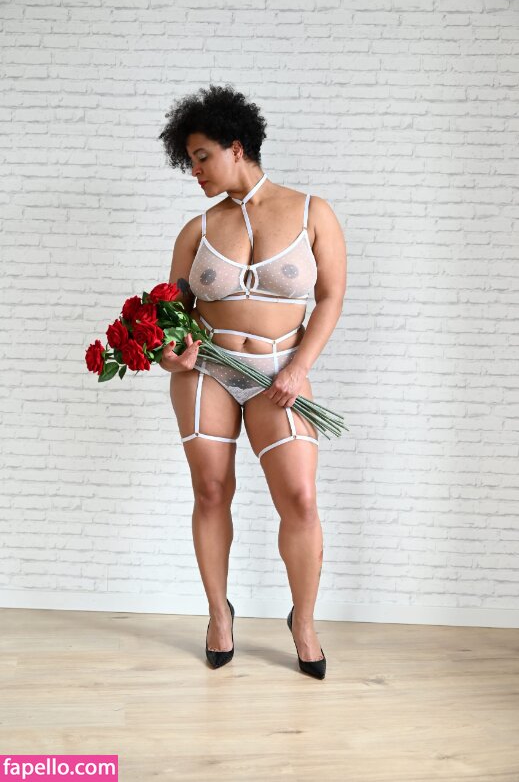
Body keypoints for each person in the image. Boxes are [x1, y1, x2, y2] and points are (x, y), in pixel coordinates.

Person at [157, 84, 347, 679]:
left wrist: (299, 366)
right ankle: (219, 614)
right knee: (211, 492)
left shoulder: (312, 212)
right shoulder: (196, 230)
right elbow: (173, 316)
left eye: (202, 157)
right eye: (189, 160)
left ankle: (304, 622)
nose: (194, 171)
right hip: (209, 373)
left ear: (236, 147)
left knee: (301, 499)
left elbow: (330, 297)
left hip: (280, 371)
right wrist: (170, 355)